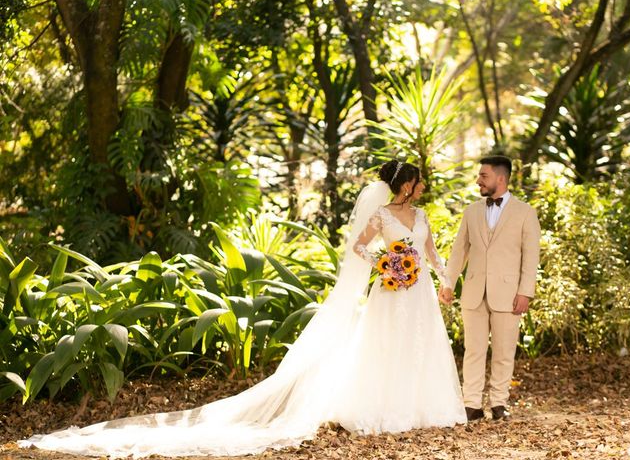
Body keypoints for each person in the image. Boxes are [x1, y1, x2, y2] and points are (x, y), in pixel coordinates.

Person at [20, 160, 465, 458]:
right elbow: (357, 247)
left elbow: (432, 253)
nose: (422, 186)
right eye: (419, 181)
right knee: (388, 348)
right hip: (390, 291)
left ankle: (426, 408)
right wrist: (385, 264)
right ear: (406, 184)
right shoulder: (381, 216)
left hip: (419, 292)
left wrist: (444, 280)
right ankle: (388, 408)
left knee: (422, 347)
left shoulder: (421, 216)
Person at [440, 155, 541, 421]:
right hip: (474, 292)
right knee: (473, 350)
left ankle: (499, 403)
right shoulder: (471, 211)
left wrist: (525, 292)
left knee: (504, 351)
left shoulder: (525, 213)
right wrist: (448, 282)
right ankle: (471, 404)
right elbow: (459, 250)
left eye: (483, 176)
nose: (478, 181)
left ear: (500, 178)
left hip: (509, 294)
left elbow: (531, 257)